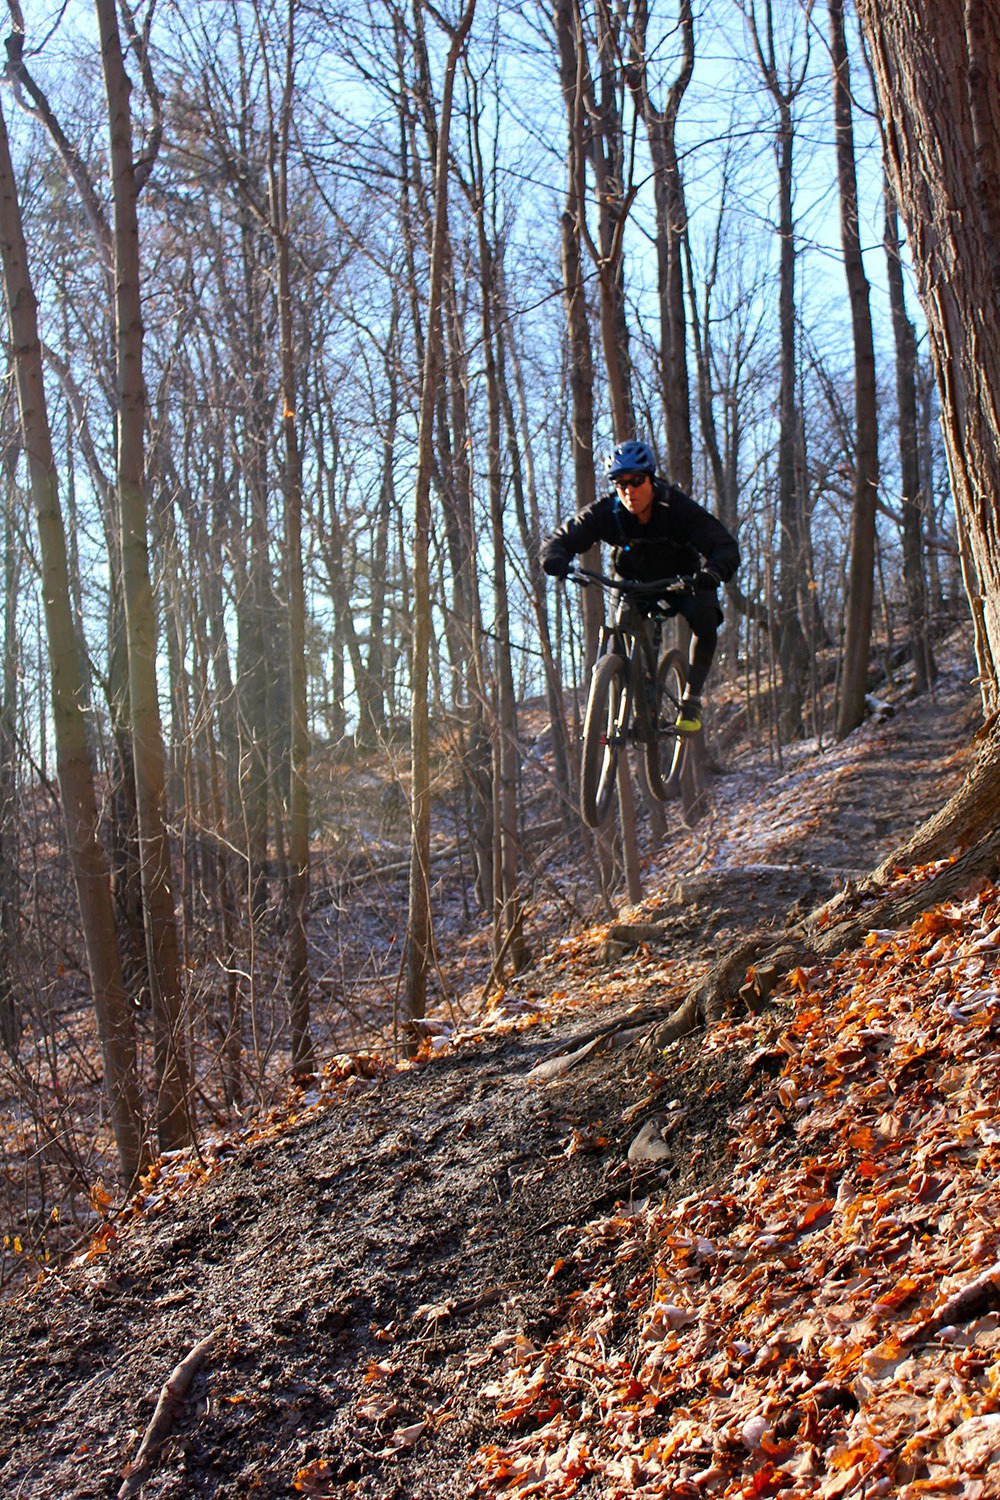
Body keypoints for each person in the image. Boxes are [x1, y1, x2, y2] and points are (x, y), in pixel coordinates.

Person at [541, 439, 739, 733]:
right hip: (633, 583)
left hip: (682, 581)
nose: (629, 491)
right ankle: (627, 701)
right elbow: (562, 537)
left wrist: (712, 572)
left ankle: (691, 700)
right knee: (620, 631)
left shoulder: (677, 508)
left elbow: (724, 545)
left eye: (637, 481)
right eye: (620, 483)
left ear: (651, 478)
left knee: (706, 617)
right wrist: (554, 557)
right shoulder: (608, 511)